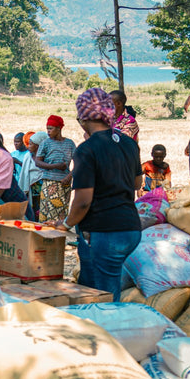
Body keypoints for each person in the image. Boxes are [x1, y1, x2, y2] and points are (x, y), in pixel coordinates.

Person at [54, 88, 142, 301]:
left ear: (83, 118)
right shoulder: (129, 143)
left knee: (105, 295)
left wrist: (65, 225)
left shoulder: (87, 149)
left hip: (106, 230)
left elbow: (83, 202)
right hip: (131, 227)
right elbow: (137, 182)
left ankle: (112, 330)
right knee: (110, 285)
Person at [35, 115, 75, 222]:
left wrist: (69, 176)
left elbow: (79, 163)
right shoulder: (45, 143)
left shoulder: (69, 144)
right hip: (48, 183)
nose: (48, 131)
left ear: (59, 128)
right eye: (47, 128)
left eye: (51, 128)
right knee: (46, 214)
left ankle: (58, 238)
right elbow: (38, 162)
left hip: (64, 184)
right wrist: (55, 166)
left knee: (60, 215)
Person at [18, 131, 46, 218]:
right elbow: (24, 174)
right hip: (31, 192)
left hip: (44, 192)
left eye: (31, 144)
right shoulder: (28, 156)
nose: (28, 146)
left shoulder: (47, 158)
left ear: (37, 145)